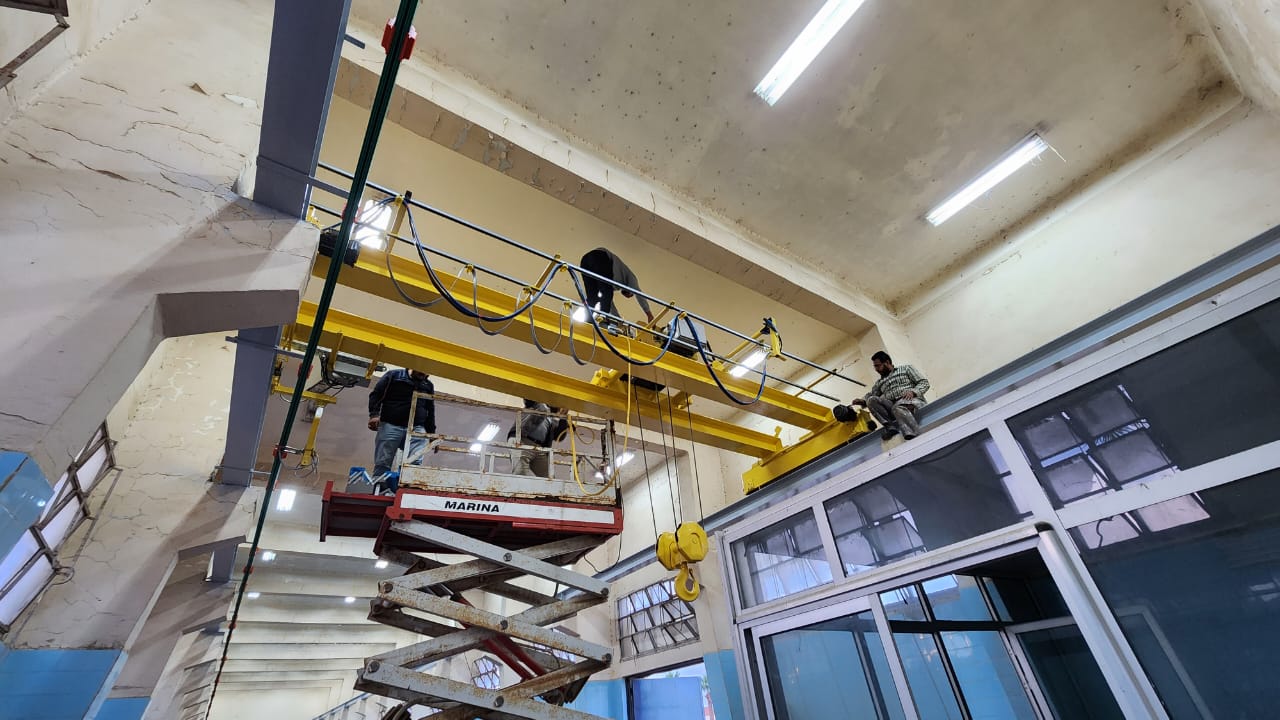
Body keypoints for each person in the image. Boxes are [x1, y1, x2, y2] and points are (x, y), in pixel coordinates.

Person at [837, 351, 930, 440]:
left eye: (878, 366)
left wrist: (913, 392)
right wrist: (862, 401)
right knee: (871, 400)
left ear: (887, 362)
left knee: (897, 407)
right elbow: (871, 394)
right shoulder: (880, 382)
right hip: (894, 407)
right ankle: (890, 427)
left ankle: (913, 433)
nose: (876, 369)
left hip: (911, 401)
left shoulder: (906, 369)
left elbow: (924, 382)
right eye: (875, 366)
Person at [368, 368, 436, 486]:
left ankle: (408, 485)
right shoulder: (394, 376)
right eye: (421, 371)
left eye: (426, 373)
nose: (424, 374)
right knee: (383, 461)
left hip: (416, 427)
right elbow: (377, 394)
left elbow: (430, 410)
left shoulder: (428, 385)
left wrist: (432, 433)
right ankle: (379, 487)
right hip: (391, 424)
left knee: (416, 459)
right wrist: (374, 415)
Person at [579, 247, 656, 326]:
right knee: (605, 293)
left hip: (585, 262)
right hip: (600, 256)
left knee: (592, 297)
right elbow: (639, 294)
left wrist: (619, 320)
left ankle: (587, 322)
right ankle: (603, 319)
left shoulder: (612, 285)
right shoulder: (630, 277)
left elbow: (609, 303)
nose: (630, 296)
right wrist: (649, 314)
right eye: (631, 294)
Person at [508, 399, 559, 477]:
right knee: (520, 472)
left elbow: (559, 436)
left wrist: (563, 420)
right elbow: (528, 398)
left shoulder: (551, 418)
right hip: (522, 440)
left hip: (538, 447)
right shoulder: (536, 404)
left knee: (549, 477)